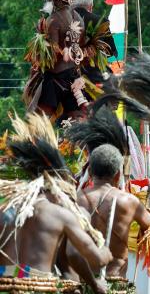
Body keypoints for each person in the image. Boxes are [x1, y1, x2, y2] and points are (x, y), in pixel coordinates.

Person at [0, 113, 112, 292]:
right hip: (37, 289)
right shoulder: (60, 215)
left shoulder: (5, 210)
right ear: (58, 188)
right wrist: (106, 253)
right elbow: (95, 258)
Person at [71, 144, 150, 293]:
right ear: (118, 174)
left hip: (83, 285)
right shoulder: (127, 202)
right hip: (113, 286)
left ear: (89, 172)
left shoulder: (74, 200)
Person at [23, 0, 89, 120]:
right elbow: (80, 50)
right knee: (78, 123)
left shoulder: (53, 20)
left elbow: (50, 56)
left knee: (35, 121)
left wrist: (40, 40)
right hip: (74, 79)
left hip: (55, 80)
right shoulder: (78, 18)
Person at [72, 0, 117, 86]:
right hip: (94, 77)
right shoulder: (101, 22)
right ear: (90, 6)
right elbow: (111, 52)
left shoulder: (61, 21)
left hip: (65, 77)